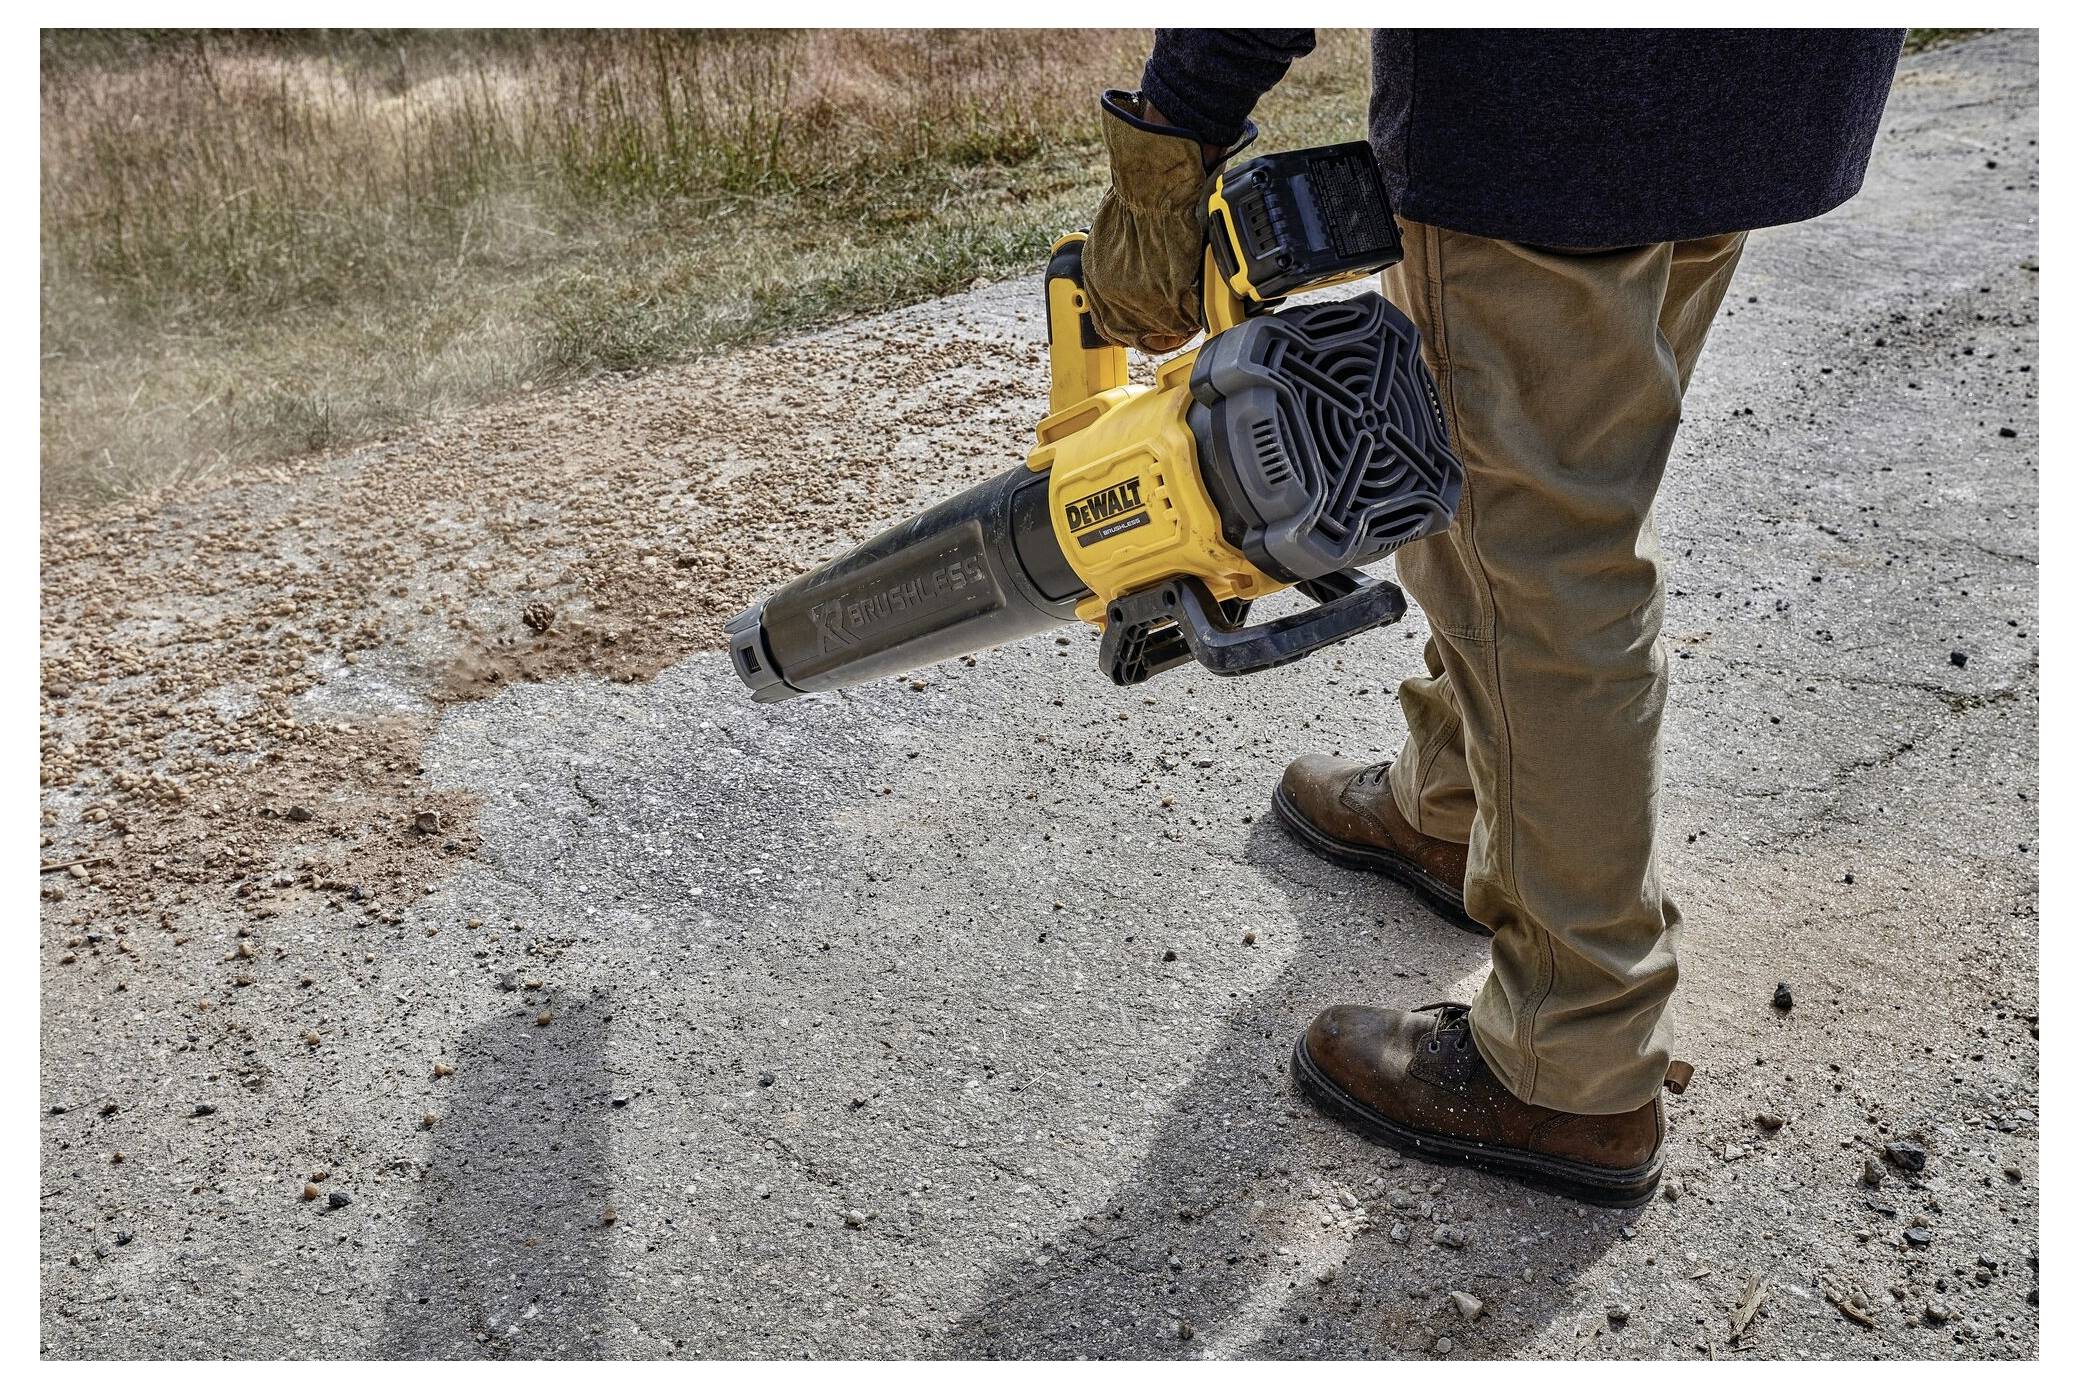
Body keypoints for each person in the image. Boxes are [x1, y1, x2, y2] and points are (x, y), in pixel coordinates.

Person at [1082, 28, 1904, 1207]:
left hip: (1550, 104)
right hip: (1762, 79)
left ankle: (1573, 1056)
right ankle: (1453, 801)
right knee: (1548, 495)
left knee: (1533, 552)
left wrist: (1176, 128)